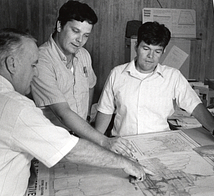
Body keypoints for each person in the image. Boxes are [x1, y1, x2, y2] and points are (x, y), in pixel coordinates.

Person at [0, 28, 146, 196]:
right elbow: (71, 151)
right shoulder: (14, 106)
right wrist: (125, 163)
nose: (35, 72)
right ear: (12, 64)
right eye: (33, 65)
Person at [95, 21, 214, 149]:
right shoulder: (118, 74)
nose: (150, 56)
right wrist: (96, 144)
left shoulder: (172, 76)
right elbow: (105, 112)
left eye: (157, 51)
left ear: (163, 51)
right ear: (136, 46)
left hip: (160, 147)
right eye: (146, 48)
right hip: (124, 146)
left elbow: (196, 107)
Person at [30, 0, 135, 157]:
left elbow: (90, 86)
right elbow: (62, 112)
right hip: (52, 140)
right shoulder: (41, 59)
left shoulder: (83, 55)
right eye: (75, 31)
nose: (80, 40)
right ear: (59, 26)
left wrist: (85, 119)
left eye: (86, 35)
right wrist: (104, 141)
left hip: (80, 135)